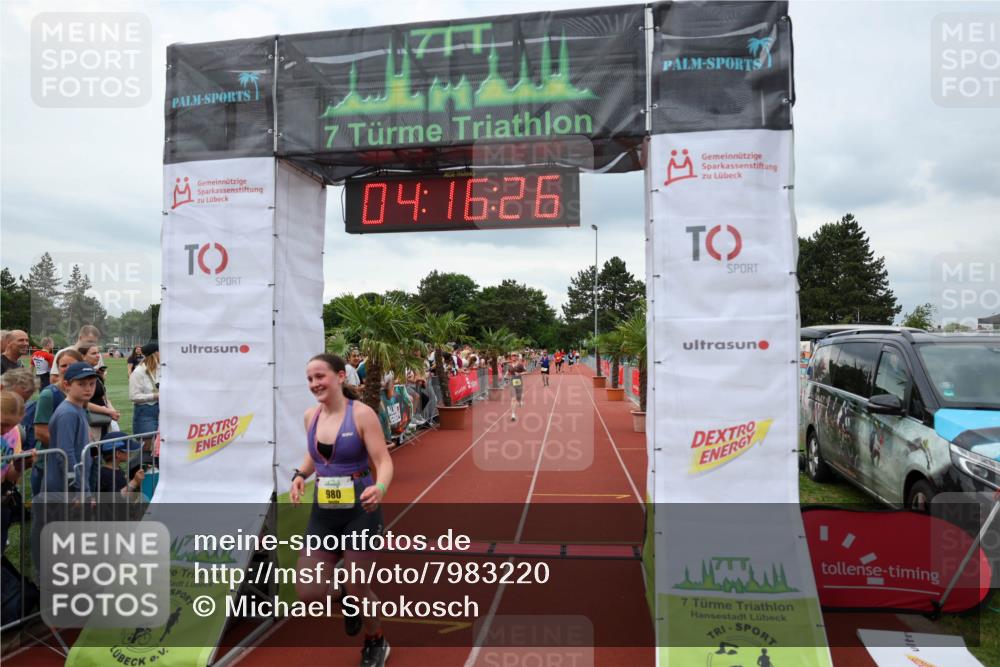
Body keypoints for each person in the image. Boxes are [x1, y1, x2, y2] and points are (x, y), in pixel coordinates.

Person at [289, 353, 392, 667]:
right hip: (325, 511)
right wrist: (299, 475)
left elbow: (384, 461)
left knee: (358, 584)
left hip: (361, 509)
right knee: (307, 592)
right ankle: (346, 596)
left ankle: (376, 641)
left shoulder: (361, 415)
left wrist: (381, 487)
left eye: (320, 376)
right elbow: (315, 457)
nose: (314, 384)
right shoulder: (311, 416)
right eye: (309, 379)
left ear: (340, 376)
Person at [32, 348, 85, 496]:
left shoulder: (80, 393)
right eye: (63, 365)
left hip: (71, 461)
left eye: (72, 365)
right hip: (49, 464)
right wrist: (66, 449)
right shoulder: (49, 395)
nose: (67, 369)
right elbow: (40, 433)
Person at [79, 344, 119, 439]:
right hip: (90, 422)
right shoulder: (80, 375)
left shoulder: (95, 374)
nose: (98, 355)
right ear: (83, 356)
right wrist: (108, 411)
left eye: (98, 352)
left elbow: (103, 396)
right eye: (93, 353)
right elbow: (82, 402)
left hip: (103, 420)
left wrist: (112, 410)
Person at [129, 343, 160, 440]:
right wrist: (155, 396)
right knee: (147, 445)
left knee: (159, 445)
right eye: (160, 351)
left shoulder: (161, 369)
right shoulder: (138, 372)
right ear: (155, 354)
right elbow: (133, 396)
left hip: (161, 411)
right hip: (145, 412)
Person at [507, 353, 527, 421]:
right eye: (512, 356)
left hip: (519, 383)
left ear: (517, 357)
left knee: (518, 398)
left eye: (515, 356)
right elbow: (508, 372)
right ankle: (513, 414)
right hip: (512, 383)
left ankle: (520, 400)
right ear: (511, 357)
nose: (514, 357)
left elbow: (526, 372)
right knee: (513, 399)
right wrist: (506, 376)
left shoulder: (520, 364)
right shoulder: (509, 365)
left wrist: (519, 373)